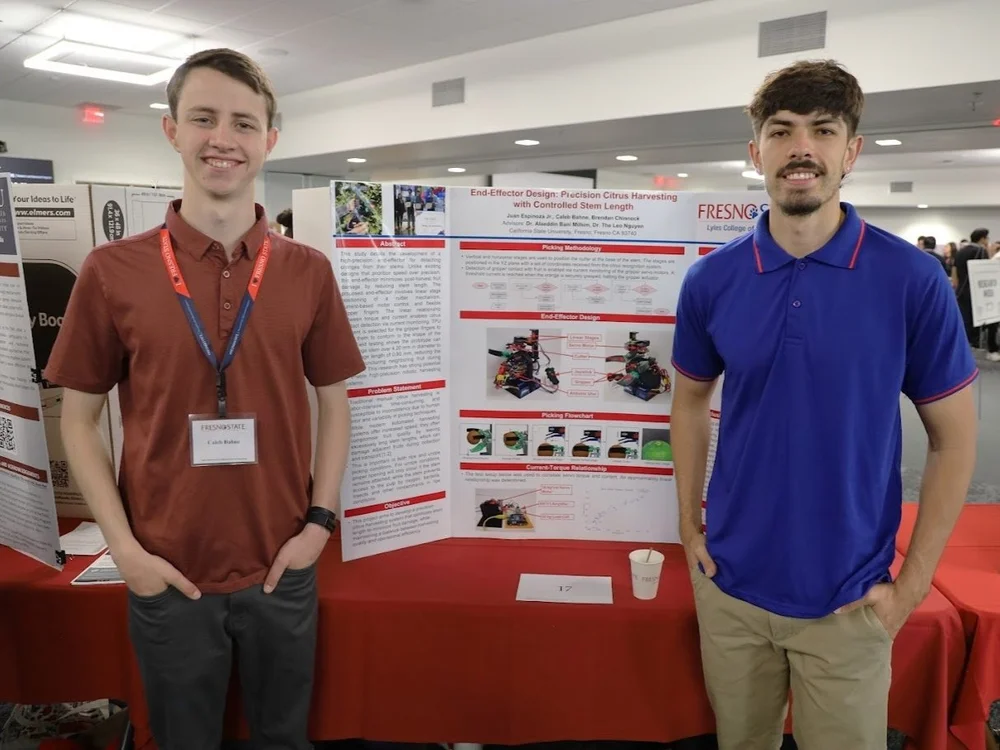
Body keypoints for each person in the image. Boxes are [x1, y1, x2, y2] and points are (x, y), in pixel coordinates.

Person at [45, 48, 365, 750]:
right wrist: (126, 551)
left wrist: (318, 526)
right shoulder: (112, 271)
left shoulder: (308, 271)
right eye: (204, 118)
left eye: (244, 123)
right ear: (172, 130)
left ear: (269, 139)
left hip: (282, 566)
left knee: (283, 740)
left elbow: (335, 403)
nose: (224, 138)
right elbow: (79, 420)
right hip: (166, 571)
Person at [671, 59, 978, 750]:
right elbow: (689, 403)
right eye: (781, 131)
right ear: (757, 153)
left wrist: (911, 588)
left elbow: (955, 438)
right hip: (731, 588)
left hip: (850, 599)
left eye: (824, 129)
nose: (801, 147)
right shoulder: (712, 280)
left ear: (852, 151)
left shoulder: (912, 279)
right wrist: (689, 529)